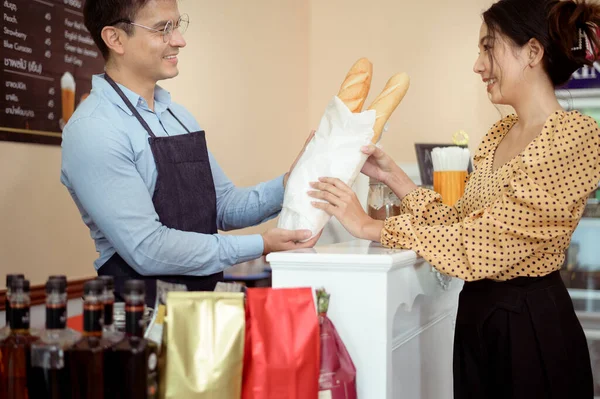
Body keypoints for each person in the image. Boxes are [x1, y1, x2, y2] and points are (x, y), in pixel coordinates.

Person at [309, 0, 600, 397]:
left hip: (529, 329)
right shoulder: (499, 135)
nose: (478, 65)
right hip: (478, 319)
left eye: (488, 48)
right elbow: (460, 222)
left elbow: (485, 243)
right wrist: (393, 176)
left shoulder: (575, 138)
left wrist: (369, 226)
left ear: (532, 52)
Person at [60, 0, 319, 306]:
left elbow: (223, 206)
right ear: (115, 39)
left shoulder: (178, 117)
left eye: (178, 25)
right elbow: (148, 248)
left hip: (204, 307)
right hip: (141, 317)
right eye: (162, 29)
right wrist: (261, 244)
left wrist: (294, 180)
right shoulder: (94, 128)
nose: (179, 40)